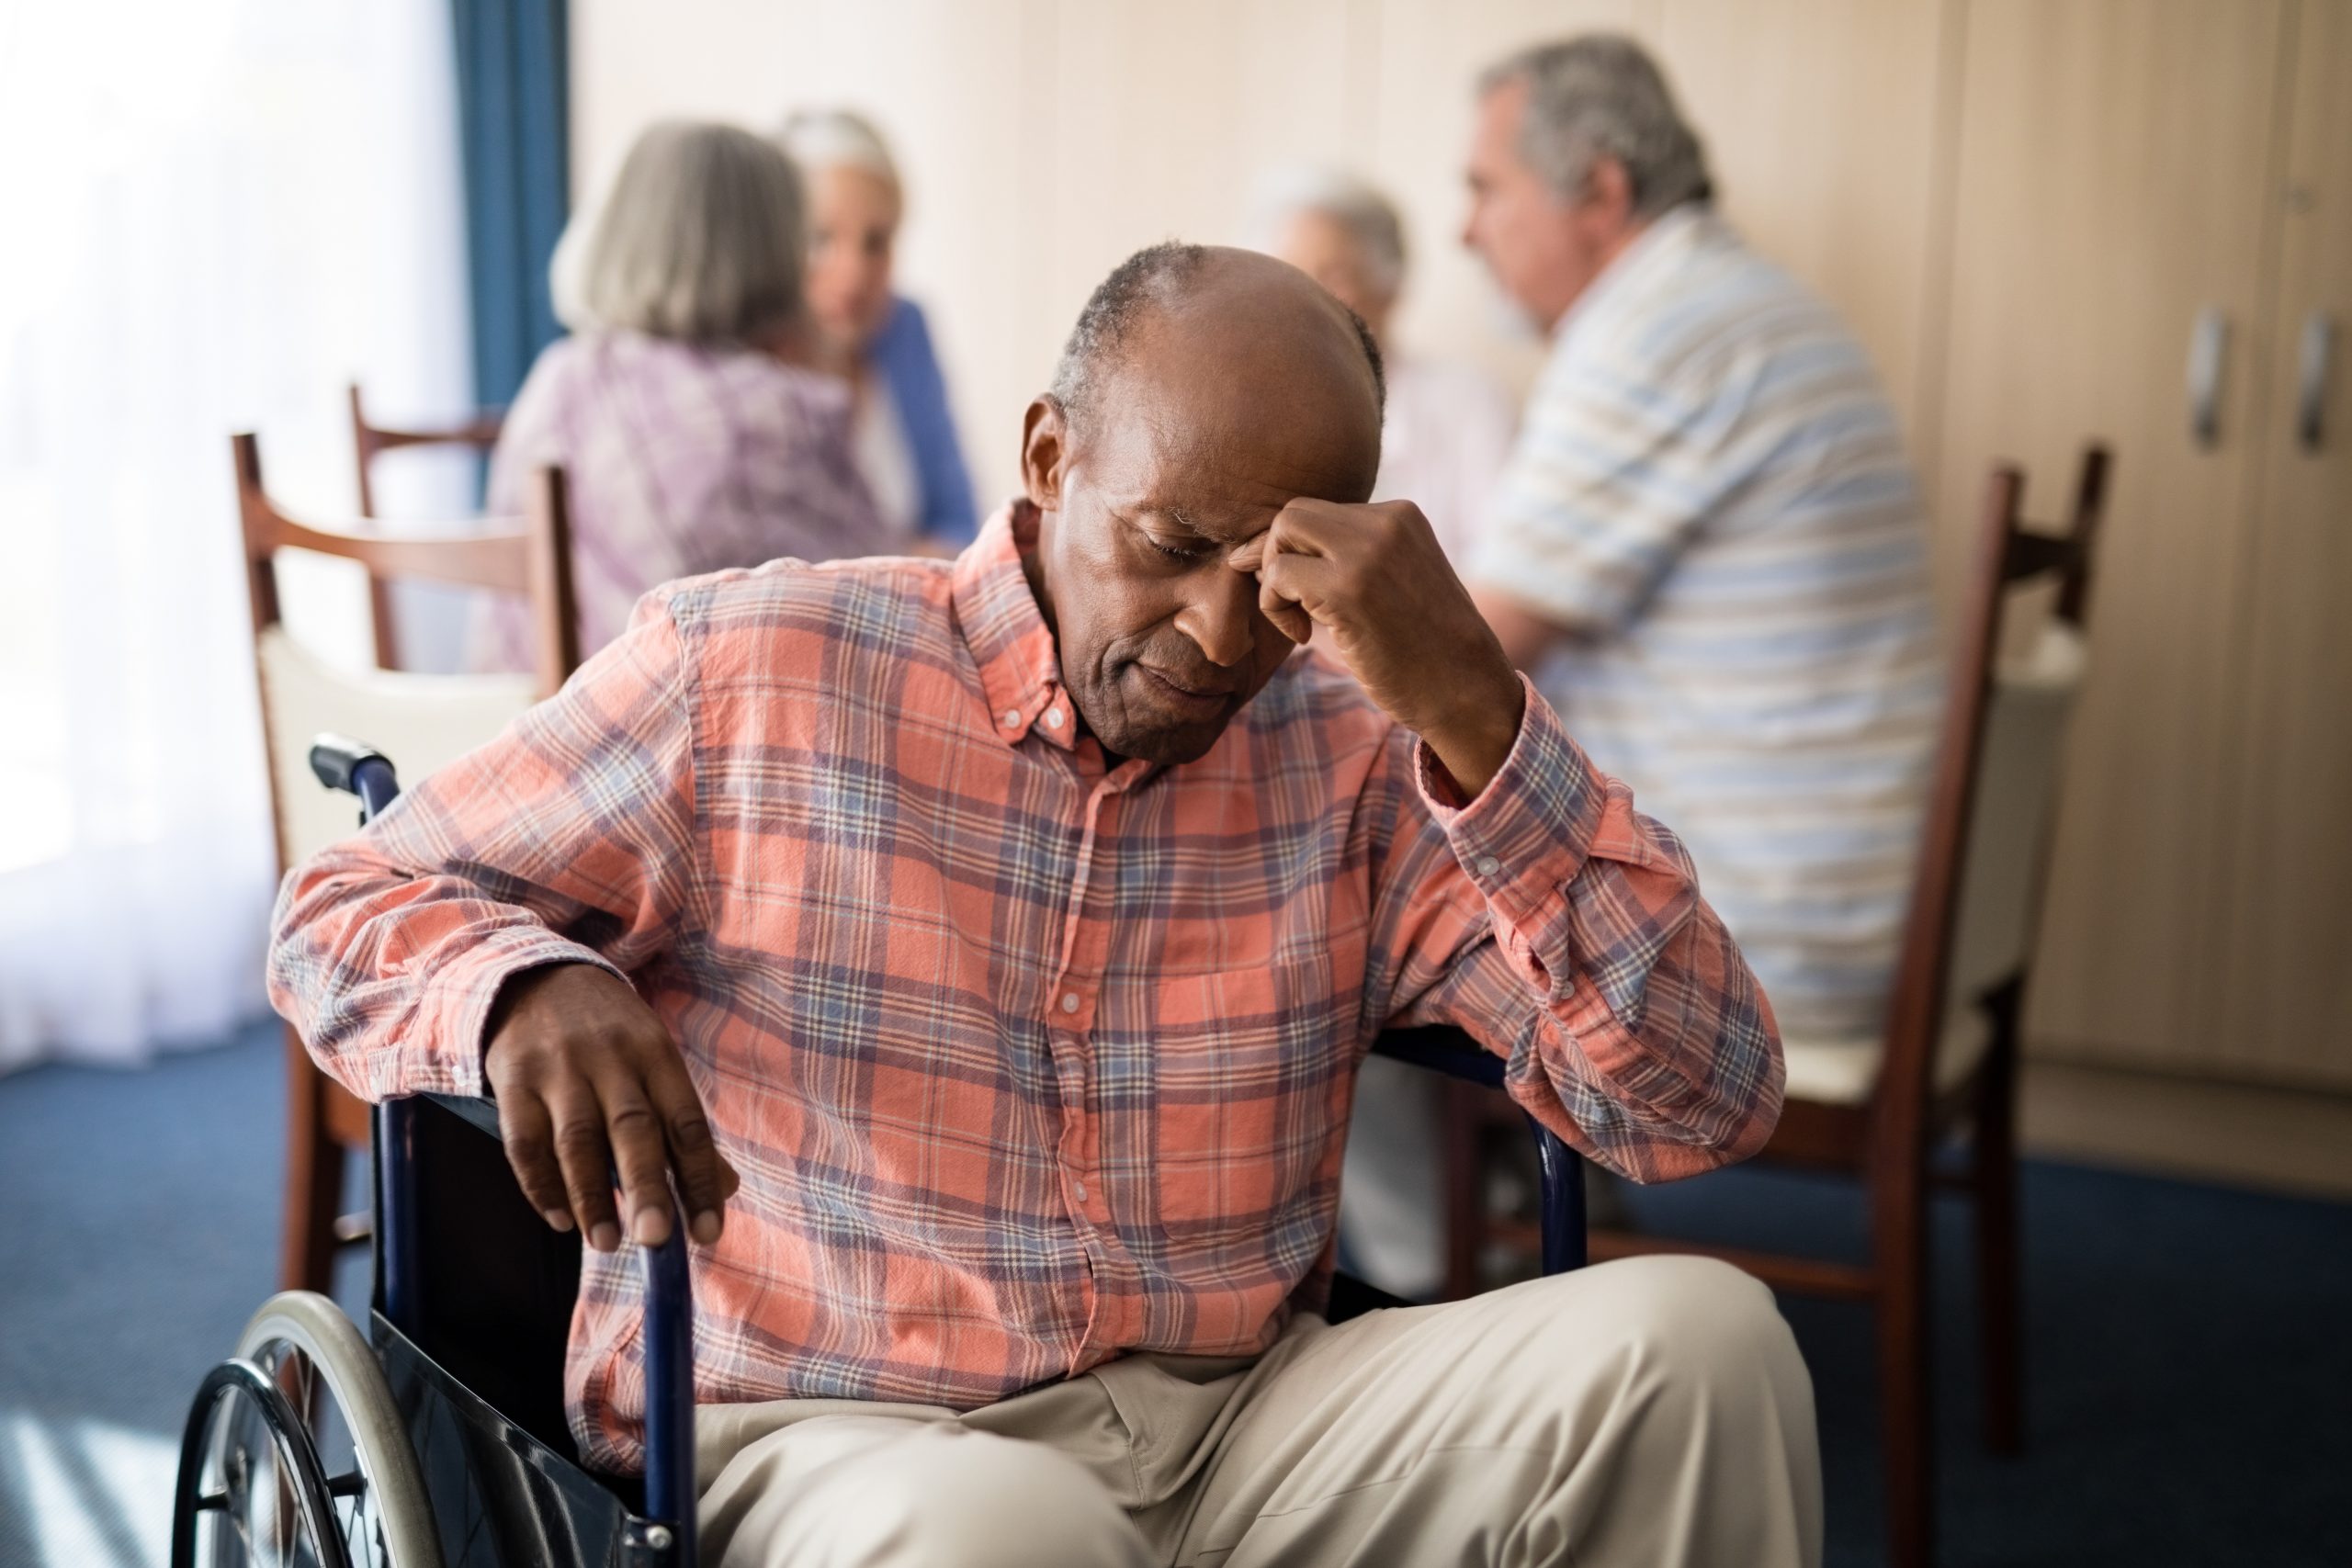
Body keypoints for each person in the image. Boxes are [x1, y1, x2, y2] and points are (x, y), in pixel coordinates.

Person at [271, 243, 1819, 1567]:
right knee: (1009, 1528)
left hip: (1244, 1417)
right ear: (1046, 456)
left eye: (1279, 577)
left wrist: (1482, 715)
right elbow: (341, 901)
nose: (1222, 633)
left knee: (1702, 1344)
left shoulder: (1360, 756)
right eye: (1174, 546)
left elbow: (1704, 1105)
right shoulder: (755, 668)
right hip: (837, 1437)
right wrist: (523, 984)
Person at [1464, 38, 1942, 1046]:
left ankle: (1452, 1203)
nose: (1467, 232)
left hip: (1756, 933)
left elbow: (1462, 657)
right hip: (1843, 902)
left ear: (1598, 191)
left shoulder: (1655, 330)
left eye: (1486, 189)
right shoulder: (1749, 305)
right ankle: (1522, 1182)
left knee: (1301, 912)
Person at [479, 119, 886, 667]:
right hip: (671, 745)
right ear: (772, 249)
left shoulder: (558, 378)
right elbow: (882, 617)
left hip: (521, 729)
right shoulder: (779, 412)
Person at [1254, 165, 1518, 561]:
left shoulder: (1466, 403)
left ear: (1389, 284)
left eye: (1334, 273)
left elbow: (1502, 578)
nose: (1305, 297)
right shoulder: (1248, 410)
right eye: (1287, 273)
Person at [780, 108, 980, 548]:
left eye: (876, 243)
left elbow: (963, 522)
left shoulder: (906, 330)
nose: (853, 274)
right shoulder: (747, 364)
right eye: (820, 240)